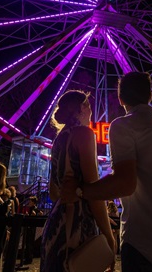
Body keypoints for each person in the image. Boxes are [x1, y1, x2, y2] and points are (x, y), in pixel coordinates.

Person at [62, 72, 152, 272]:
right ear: (150, 96)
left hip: (144, 246)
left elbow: (125, 183)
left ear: (120, 99)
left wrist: (82, 190)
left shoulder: (123, 126)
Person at [40, 89, 115, 272]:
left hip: (56, 223)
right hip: (76, 225)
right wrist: (108, 235)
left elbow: (54, 192)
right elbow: (93, 189)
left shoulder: (59, 139)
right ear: (83, 107)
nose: (91, 112)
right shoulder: (84, 134)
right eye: (89, 107)